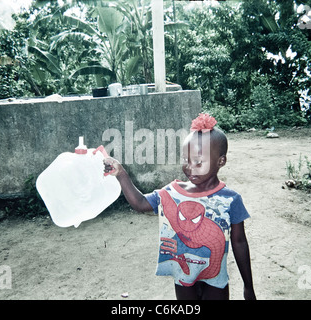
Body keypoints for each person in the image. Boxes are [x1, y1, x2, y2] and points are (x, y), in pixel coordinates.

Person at [103, 113, 256, 300]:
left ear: (221, 161)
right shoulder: (172, 193)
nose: (190, 167)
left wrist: (248, 287)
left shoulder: (230, 200)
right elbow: (140, 203)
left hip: (216, 279)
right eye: (185, 159)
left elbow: (240, 243)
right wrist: (121, 173)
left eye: (199, 162)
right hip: (184, 278)